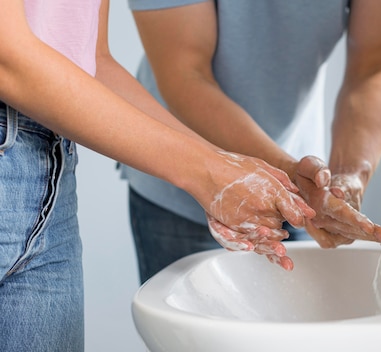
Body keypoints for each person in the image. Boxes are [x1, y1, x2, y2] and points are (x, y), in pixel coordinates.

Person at [0, 1, 325, 350]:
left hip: (53, 174)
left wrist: (222, 166)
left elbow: (93, 62)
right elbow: (8, 57)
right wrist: (209, 174)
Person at [123, 0, 381, 283]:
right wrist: (287, 174)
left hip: (302, 185)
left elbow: (377, 64)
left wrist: (348, 177)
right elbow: (185, 72)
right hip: (184, 186)